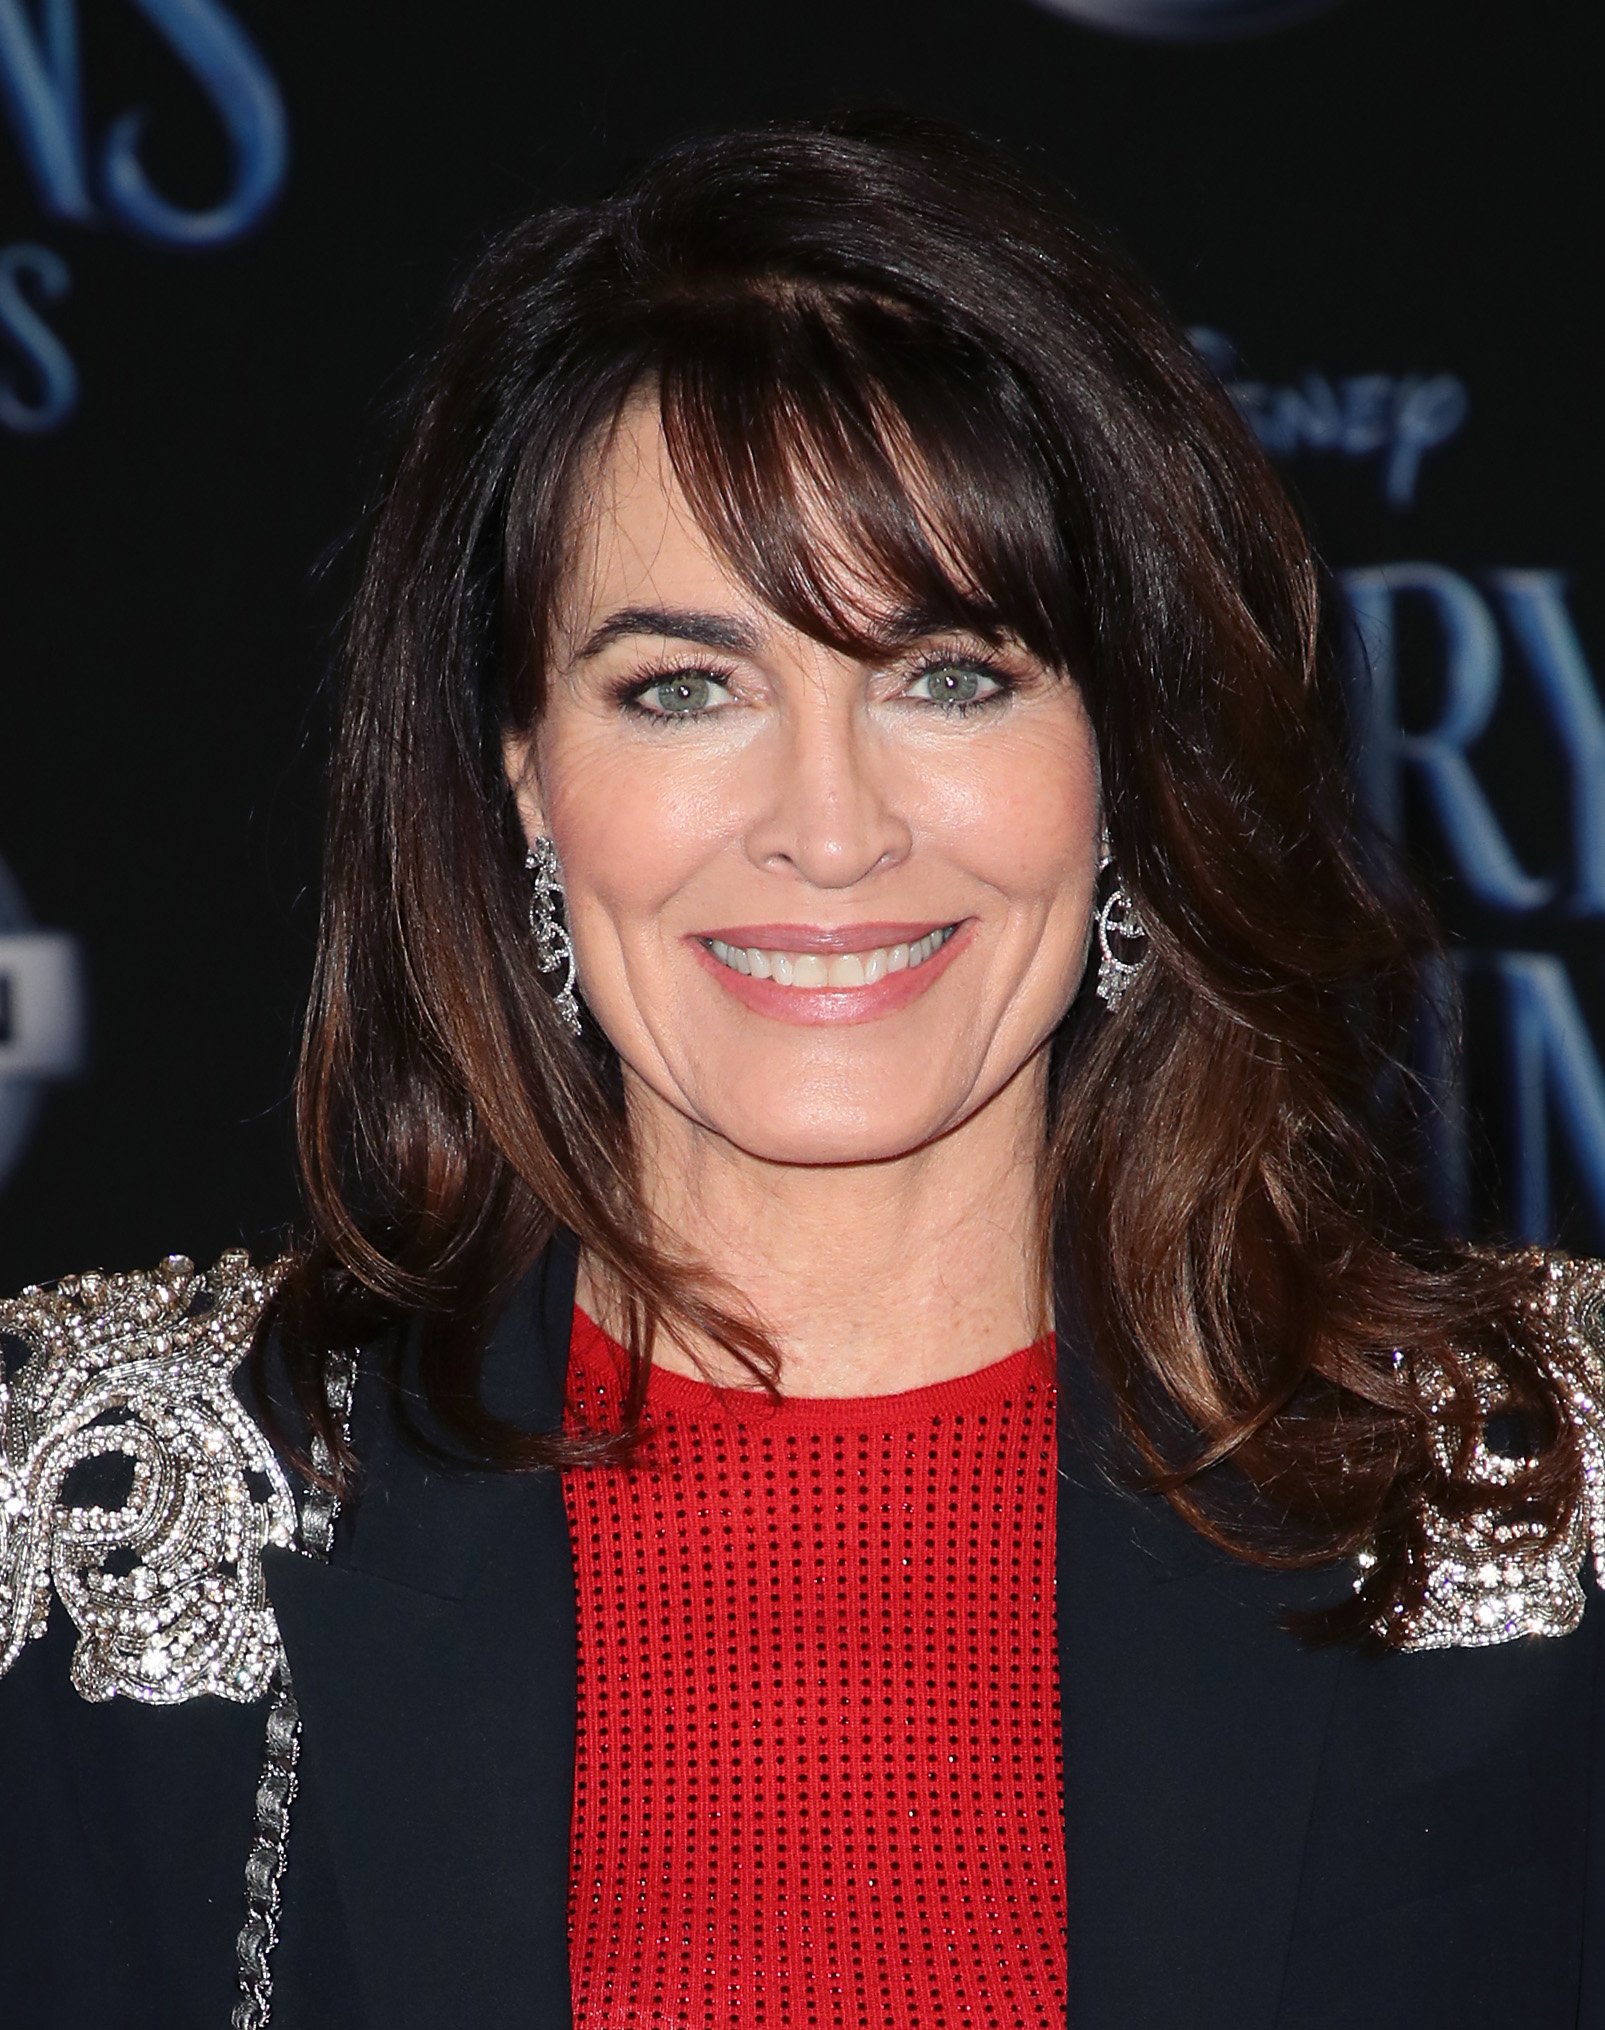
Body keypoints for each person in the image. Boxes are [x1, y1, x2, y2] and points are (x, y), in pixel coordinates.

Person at [1, 112, 1602, 2030]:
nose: (828, 831)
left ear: (1121, 762)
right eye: (684, 687)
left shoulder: (1537, 1492)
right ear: (524, 772)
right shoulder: (100, 1508)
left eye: (949, 674)